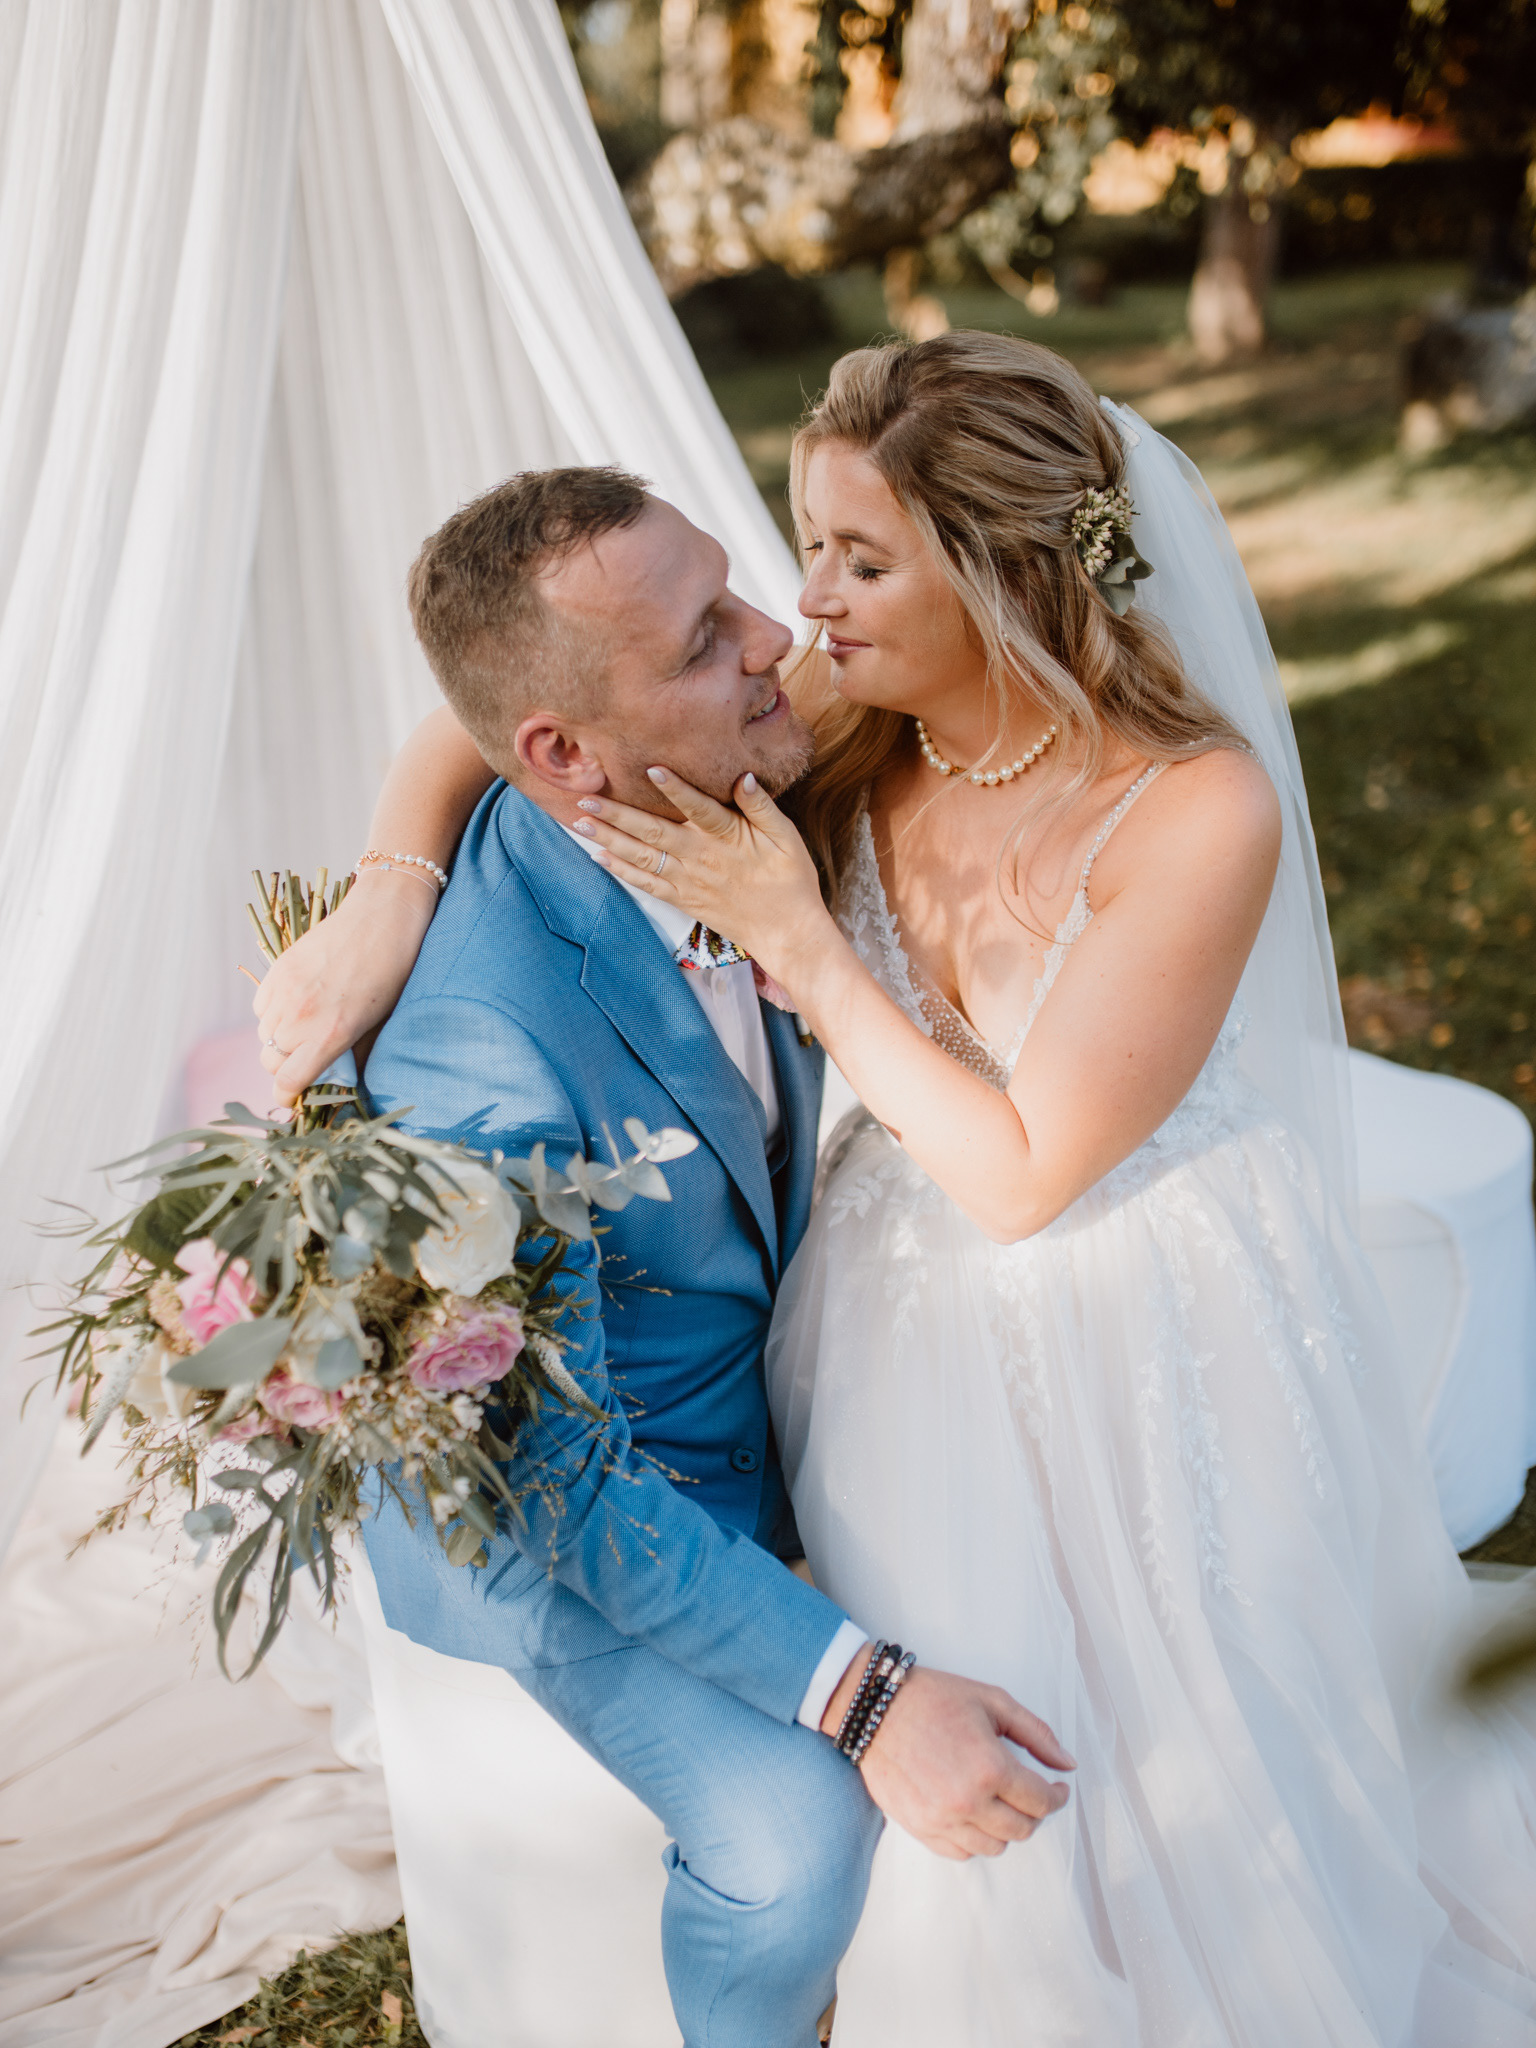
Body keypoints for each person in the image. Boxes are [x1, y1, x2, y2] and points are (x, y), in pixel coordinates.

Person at [259, 336, 1536, 2044]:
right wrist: (392, 886)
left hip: (1116, 1273)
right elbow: (501, 712)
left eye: (855, 560)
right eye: (805, 550)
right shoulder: (845, 719)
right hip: (837, 1331)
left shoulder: (1168, 801)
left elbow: (1024, 1178)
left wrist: (799, 942)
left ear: (1001, 579)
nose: (798, 612)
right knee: (928, 1786)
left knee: (1191, 1714)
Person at [325, 464, 1073, 2048]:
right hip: (575, 1506)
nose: (773, 635)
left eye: (736, 587)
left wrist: (390, 862)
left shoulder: (719, 756)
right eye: (703, 639)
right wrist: (868, 1697)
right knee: (793, 1848)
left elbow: (474, 733)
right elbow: (555, 1483)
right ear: (562, 756)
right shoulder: (479, 1058)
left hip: (773, 1372)